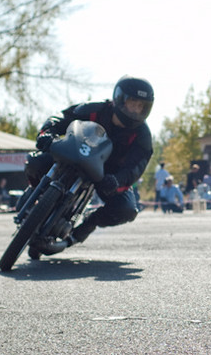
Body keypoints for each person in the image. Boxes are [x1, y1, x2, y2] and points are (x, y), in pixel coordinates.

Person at [24, 76, 154, 245]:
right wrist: (47, 133)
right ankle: (32, 193)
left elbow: (135, 167)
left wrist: (117, 180)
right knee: (35, 162)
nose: (136, 110)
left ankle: (88, 225)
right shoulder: (95, 109)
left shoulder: (143, 135)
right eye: (133, 102)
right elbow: (62, 117)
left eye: (141, 106)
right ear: (120, 99)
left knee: (127, 210)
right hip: (73, 155)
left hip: (107, 175)